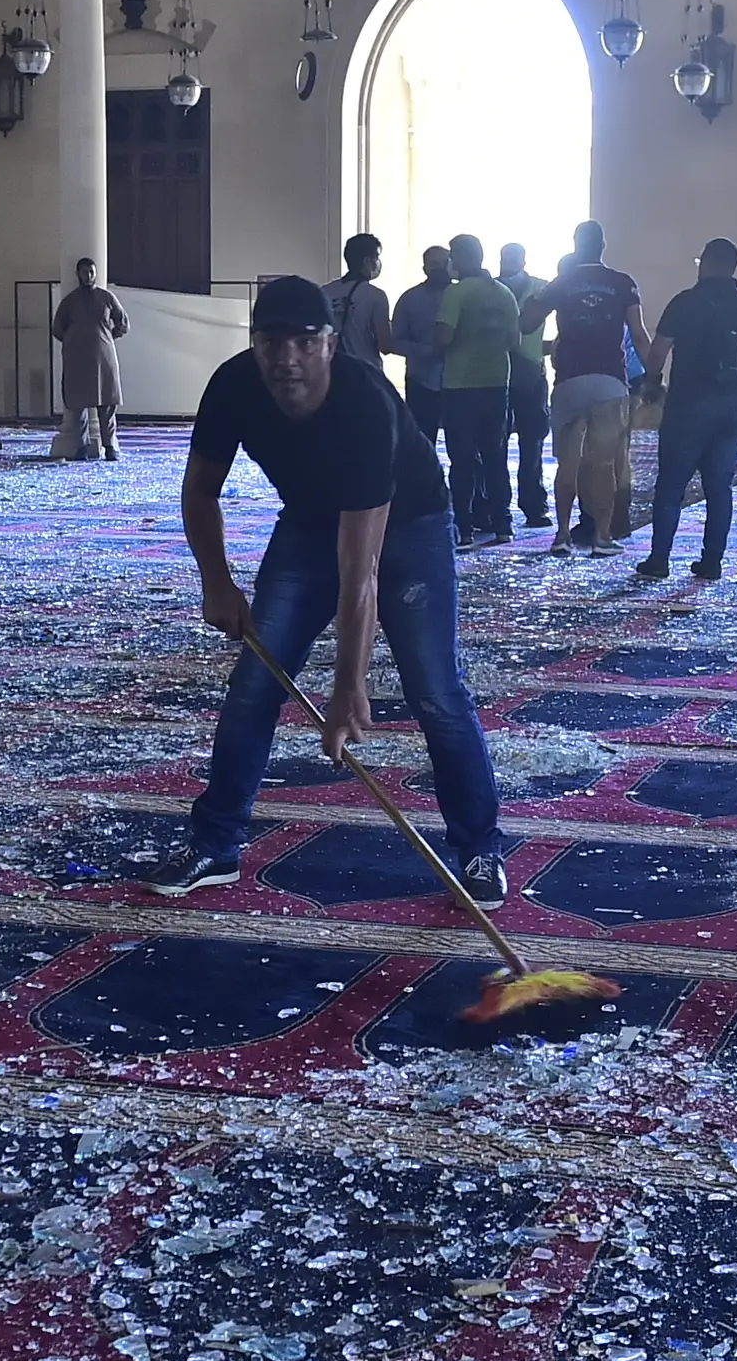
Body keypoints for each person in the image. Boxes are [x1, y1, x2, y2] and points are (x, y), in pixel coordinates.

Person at [156, 276, 508, 906]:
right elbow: (200, 487)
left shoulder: (364, 403)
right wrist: (216, 581)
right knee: (255, 683)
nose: (286, 358)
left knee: (434, 688)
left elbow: (361, 571)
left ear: (329, 343)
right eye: (271, 342)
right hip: (309, 521)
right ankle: (215, 844)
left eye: (304, 341)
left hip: (412, 525)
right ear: (255, 343)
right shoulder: (234, 385)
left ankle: (479, 846)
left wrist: (349, 686)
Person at [638, 240, 737, 583]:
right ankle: (711, 562)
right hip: (733, 405)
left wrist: (651, 383)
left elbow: (658, 352)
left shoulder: (684, 303)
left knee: (671, 486)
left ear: (705, 264)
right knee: (719, 487)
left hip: (688, 406)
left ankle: (660, 559)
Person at [541, 224, 644, 554]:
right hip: (609, 383)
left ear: (575, 244)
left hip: (569, 380)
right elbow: (638, 333)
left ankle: (561, 536)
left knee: (567, 463)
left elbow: (527, 321)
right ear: (603, 245)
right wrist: (654, 373)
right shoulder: (623, 283)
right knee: (603, 463)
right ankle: (601, 536)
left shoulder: (562, 282)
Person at [438, 234, 522, 546]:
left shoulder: (456, 294)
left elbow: (444, 338)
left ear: (462, 258)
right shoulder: (504, 294)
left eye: (453, 257)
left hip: (461, 386)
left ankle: (464, 526)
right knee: (495, 456)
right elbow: (514, 342)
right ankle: (503, 524)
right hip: (497, 383)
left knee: (462, 459)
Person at [51, 256, 128, 461]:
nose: (89, 276)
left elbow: (123, 323)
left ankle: (109, 446)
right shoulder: (70, 301)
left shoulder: (106, 298)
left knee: (107, 404)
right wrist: (74, 340)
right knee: (78, 405)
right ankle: (81, 447)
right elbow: (57, 328)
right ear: (78, 274)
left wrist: (107, 337)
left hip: (104, 356)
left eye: (92, 272)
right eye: (85, 272)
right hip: (77, 359)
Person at [500, 240, 553, 529]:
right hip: (497, 375)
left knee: (531, 444)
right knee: (495, 445)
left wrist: (555, 346)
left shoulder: (542, 289)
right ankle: (498, 509)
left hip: (529, 374)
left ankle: (533, 505)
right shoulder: (491, 290)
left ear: (522, 260)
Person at [393, 245, 454, 471]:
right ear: (424, 268)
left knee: (464, 449)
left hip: (459, 382)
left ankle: (469, 502)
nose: (440, 269)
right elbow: (394, 342)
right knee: (420, 447)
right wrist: (426, 351)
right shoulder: (410, 299)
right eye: (434, 264)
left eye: (444, 263)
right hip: (421, 382)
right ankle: (422, 497)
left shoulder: (464, 295)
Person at [328, 234, 395, 377]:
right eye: (376, 257)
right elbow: (386, 346)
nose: (378, 262)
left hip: (332, 371)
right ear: (367, 261)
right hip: (366, 372)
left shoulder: (325, 291)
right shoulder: (376, 296)